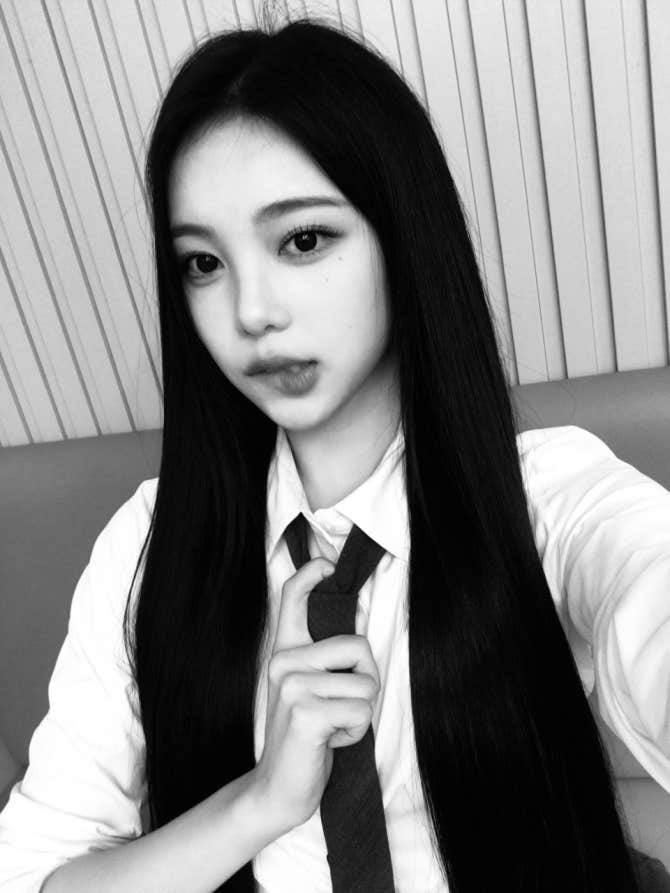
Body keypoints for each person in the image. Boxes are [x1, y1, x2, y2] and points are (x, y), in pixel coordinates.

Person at [1, 9, 670, 893]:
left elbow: (649, 591)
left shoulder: (545, 500)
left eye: (303, 240)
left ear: (404, 234)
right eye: (203, 263)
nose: (251, 312)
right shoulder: (150, 545)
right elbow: (38, 874)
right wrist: (262, 801)